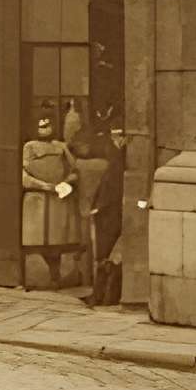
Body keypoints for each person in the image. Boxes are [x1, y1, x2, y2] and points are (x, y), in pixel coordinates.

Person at [20, 107, 79, 288]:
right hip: (36, 201)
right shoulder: (28, 147)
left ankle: (56, 276)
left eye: (48, 125)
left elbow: (75, 170)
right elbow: (23, 175)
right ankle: (30, 279)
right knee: (34, 242)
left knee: (57, 243)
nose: (45, 129)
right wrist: (44, 186)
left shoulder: (61, 147)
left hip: (57, 201)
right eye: (41, 125)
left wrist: (65, 184)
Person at [88, 116, 127, 306]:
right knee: (106, 255)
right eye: (113, 137)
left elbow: (113, 185)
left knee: (107, 253)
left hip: (114, 210)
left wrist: (98, 207)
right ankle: (103, 294)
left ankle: (104, 295)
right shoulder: (115, 155)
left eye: (118, 136)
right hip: (111, 209)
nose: (115, 141)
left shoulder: (122, 157)